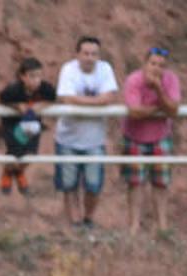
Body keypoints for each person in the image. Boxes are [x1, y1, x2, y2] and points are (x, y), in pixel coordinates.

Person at [54, 36, 119, 229]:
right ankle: (74, 223)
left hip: (95, 141)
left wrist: (82, 102)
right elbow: (66, 98)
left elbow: (109, 97)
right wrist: (95, 103)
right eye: (86, 53)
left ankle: (88, 219)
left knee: (93, 185)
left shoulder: (105, 69)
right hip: (67, 138)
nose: (90, 58)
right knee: (69, 185)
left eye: (94, 54)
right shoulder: (68, 69)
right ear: (77, 54)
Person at [122, 48, 180, 233]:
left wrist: (158, 90)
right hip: (134, 137)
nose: (156, 68)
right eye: (153, 63)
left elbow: (173, 110)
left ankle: (162, 226)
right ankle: (134, 226)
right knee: (135, 182)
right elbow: (135, 112)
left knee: (161, 182)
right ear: (145, 64)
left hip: (161, 136)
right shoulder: (134, 80)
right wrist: (158, 110)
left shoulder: (170, 80)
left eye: (161, 65)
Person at [0, 58, 56, 196]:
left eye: (39, 76)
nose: (36, 80)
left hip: (33, 125)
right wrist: (18, 106)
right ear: (22, 77)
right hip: (12, 125)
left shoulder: (45, 88)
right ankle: (7, 173)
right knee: (14, 155)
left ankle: (19, 172)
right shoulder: (13, 89)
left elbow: (54, 99)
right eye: (32, 76)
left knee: (30, 155)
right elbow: (1, 99)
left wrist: (41, 106)